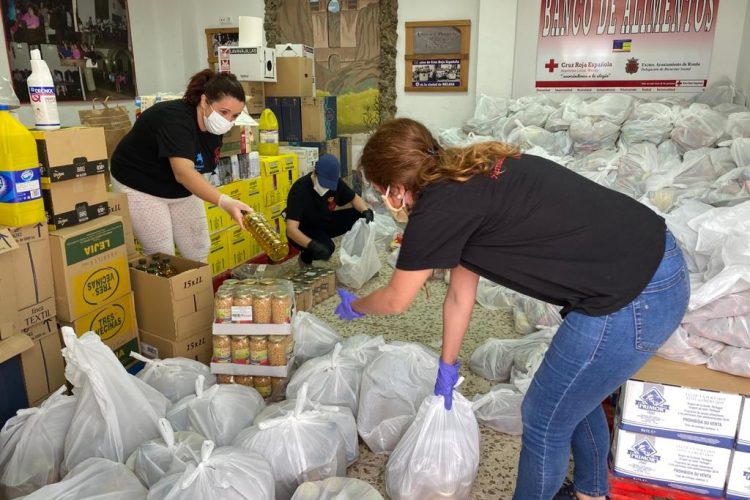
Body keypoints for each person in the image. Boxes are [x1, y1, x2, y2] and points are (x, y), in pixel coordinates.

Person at [335, 118, 689, 500]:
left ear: (396, 188)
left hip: (634, 295)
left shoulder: (438, 208)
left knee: (542, 418)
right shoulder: (468, 171)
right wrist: (447, 365)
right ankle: (591, 492)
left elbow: (396, 297)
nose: (382, 200)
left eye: (377, 190)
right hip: (647, 262)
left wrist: (355, 305)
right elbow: (460, 295)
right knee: (575, 395)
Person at [111, 69, 251, 263]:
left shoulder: (213, 126)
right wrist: (224, 201)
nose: (228, 121)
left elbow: (195, 170)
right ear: (204, 101)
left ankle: (197, 289)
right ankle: (170, 292)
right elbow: (183, 172)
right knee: (162, 254)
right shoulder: (175, 120)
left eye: (234, 116)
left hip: (176, 185)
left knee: (198, 245)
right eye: (224, 112)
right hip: (140, 184)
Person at [285, 154, 374, 266]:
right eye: (324, 184)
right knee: (327, 248)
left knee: (359, 216)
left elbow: (355, 198)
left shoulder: (336, 183)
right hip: (305, 229)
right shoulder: (300, 190)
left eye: (329, 185)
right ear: (315, 173)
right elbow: (291, 230)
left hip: (324, 220)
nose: (326, 188)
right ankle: (305, 257)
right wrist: (312, 245)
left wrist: (366, 211)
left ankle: (358, 258)